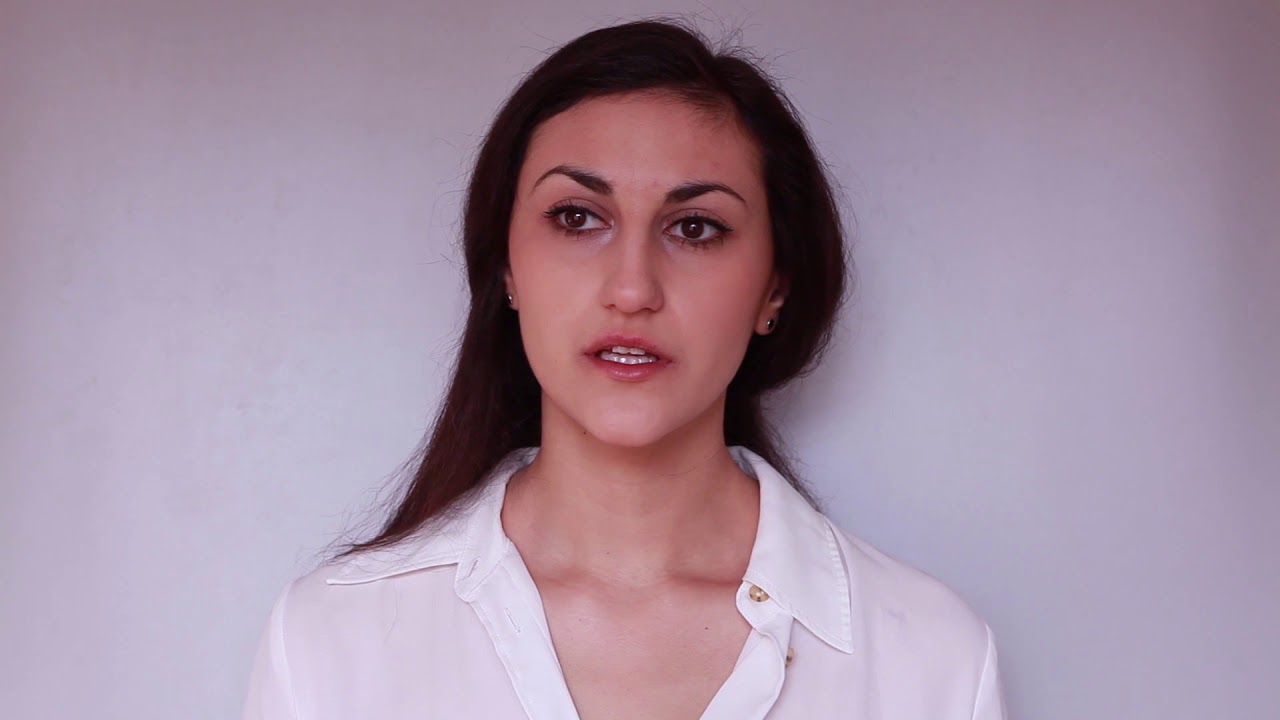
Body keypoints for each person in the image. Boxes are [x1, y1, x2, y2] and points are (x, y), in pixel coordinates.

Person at [243, 19, 1006, 720]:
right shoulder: (331, 641)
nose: (633, 289)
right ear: (506, 267)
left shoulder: (932, 661)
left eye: (695, 227)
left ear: (775, 288)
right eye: (577, 217)